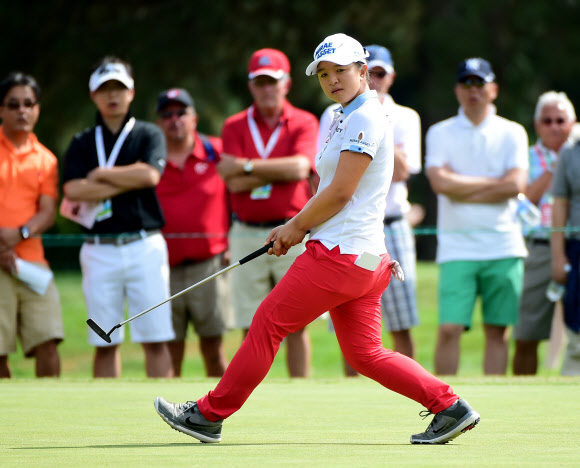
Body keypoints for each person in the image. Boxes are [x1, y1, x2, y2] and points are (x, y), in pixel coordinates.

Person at [155, 33, 480, 445]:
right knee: (366, 354)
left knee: (267, 324)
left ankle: (207, 415)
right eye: (324, 74)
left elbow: (342, 191)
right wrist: (300, 225)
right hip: (362, 256)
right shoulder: (347, 114)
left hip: (339, 255)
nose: (332, 80)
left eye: (341, 71)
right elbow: (336, 188)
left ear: (363, 71)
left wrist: (295, 226)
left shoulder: (364, 116)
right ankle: (450, 407)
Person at [61, 57, 174, 378]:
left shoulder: (148, 134)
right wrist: (125, 178)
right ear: (93, 95)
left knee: (155, 338)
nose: (113, 96)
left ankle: (162, 415)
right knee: (104, 339)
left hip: (144, 246)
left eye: (119, 88)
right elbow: (73, 190)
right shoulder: (82, 141)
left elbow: (150, 176)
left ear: (131, 92)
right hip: (99, 249)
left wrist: (100, 175)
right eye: (105, 89)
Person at [215, 48, 319, 377]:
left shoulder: (303, 121)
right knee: (249, 322)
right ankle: (248, 392)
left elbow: (301, 166)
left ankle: (299, 391)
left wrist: (247, 167)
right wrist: (280, 172)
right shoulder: (234, 125)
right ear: (251, 86)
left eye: (273, 81)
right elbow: (231, 184)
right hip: (246, 231)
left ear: (286, 83)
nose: (267, 88)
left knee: (297, 323)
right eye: (260, 82)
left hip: (294, 228)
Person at [318, 44, 421, 373]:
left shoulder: (404, 116)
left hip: (392, 223)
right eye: (369, 72)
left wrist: (377, 123)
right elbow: (325, 173)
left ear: (390, 76)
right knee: (349, 322)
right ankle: (353, 394)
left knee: (401, 322)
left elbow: (403, 171)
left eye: (380, 73)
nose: (374, 79)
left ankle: (410, 389)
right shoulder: (332, 114)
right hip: (345, 228)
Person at [425, 58, 529, 375]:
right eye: (467, 84)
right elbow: (440, 184)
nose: (474, 91)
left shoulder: (513, 132)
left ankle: (492, 402)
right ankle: (444, 405)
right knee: (449, 329)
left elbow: (516, 185)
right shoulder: (439, 132)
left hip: (504, 245)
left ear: (493, 89)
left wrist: (461, 185)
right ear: (457, 90)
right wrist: (495, 186)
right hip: (457, 247)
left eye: (480, 84)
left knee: (498, 331)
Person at [155, 88, 230, 377]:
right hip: (164, 268)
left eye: (181, 112)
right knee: (170, 350)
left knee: (214, 347)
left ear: (194, 117)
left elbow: (237, 196)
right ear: (160, 122)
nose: (174, 119)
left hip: (209, 265)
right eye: (167, 114)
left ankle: (218, 410)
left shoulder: (215, 150)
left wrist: (232, 238)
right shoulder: (152, 156)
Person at [0, 72, 64, 378]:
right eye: (13, 104)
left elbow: (47, 212)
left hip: (32, 264)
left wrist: (20, 234)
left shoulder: (46, 159)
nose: (22, 110)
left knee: (49, 341)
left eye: (29, 103)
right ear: (1, 110)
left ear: (37, 109)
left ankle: (50, 420)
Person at [513, 92, 576, 375]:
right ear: (537, 125)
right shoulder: (525, 157)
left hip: (575, 245)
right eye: (547, 121)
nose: (554, 127)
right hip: (536, 247)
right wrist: (555, 171)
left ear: (572, 123)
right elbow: (519, 202)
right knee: (526, 334)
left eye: (560, 121)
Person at [551, 124, 580, 375]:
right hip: (577, 245)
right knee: (577, 328)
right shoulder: (571, 150)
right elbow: (560, 202)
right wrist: (558, 255)